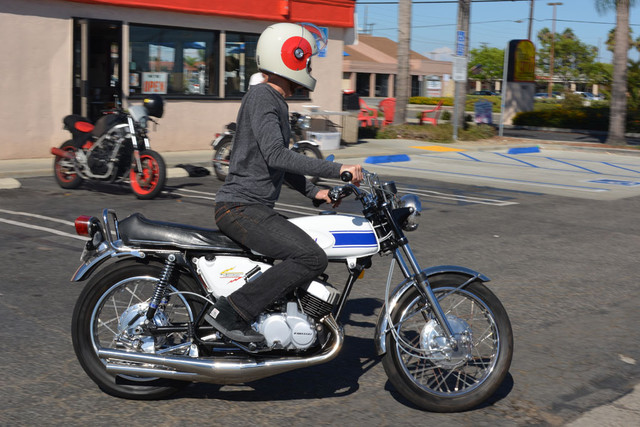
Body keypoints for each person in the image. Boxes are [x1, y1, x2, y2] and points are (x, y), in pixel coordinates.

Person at [205, 22, 363, 343]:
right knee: (311, 258)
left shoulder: (270, 99)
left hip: (248, 207)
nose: (308, 66)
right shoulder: (263, 96)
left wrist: (314, 192)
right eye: (306, 59)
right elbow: (277, 155)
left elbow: (276, 162)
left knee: (307, 253)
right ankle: (233, 311)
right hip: (242, 207)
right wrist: (339, 168)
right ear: (290, 57)